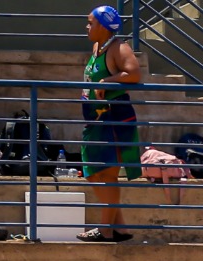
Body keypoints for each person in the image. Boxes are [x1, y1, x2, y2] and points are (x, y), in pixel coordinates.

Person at [79, 5, 141, 242]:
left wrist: (108, 80)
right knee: (93, 171)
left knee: (108, 173)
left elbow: (133, 74)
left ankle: (105, 229)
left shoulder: (119, 47)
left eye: (91, 22)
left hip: (114, 117)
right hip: (95, 119)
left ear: (104, 26)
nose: (87, 27)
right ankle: (120, 227)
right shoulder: (97, 47)